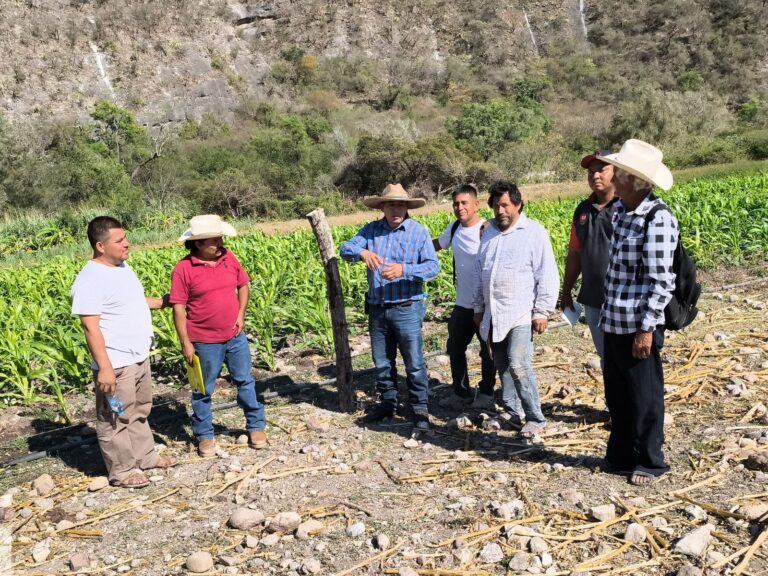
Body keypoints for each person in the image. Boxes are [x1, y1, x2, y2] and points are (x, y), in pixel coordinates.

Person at [71, 216, 177, 489]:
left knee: (140, 410)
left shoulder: (122, 268)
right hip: (116, 363)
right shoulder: (90, 279)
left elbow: (131, 302)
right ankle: (122, 471)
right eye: (119, 240)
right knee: (114, 417)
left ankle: (146, 457)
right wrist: (105, 368)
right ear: (100, 246)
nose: (127, 243)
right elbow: (90, 327)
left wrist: (162, 302)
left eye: (125, 237)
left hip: (138, 356)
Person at [597, 139, 678, 486]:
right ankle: (620, 456)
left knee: (645, 395)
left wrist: (646, 329)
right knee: (617, 394)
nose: (613, 176)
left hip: (638, 323)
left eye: (620, 173)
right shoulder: (620, 211)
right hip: (614, 319)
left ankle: (650, 461)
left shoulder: (658, 219)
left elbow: (662, 281)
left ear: (635, 181)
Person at [340, 183, 440, 431]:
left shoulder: (418, 232)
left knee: (414, 362)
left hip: (407, 307)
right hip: (378, 307)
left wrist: (404, 270)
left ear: (406, 207)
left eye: (401, 205)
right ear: (382, 207)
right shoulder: (371, 231)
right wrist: (362, 253)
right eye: (391, 205)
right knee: (382, 361)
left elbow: (433, 267)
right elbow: (345, 249)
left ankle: (419, 406)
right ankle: (388, 402)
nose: (396, 209)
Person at [170, 215, 267, 458]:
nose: (220, 243)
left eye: (220, 238)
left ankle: (256, 427)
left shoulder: (228, 258)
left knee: (245, 381)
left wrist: (241, 314)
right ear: (198, 244)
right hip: (204, 341)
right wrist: (185, 342)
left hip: (235, 336)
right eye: (215, 240)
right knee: (203, 390)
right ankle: (205, 435)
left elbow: (243, 285)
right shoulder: (183, 269)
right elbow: (178, 308)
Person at [473, 181, 559, 439]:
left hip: (521, 311)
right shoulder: (488, 233)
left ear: (518, 205)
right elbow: (480, 273)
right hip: (494, 312)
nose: (501, 211)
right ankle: (512, 411)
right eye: (496, 206)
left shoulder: (534, 233)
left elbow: (547, 272)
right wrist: (479, 307)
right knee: (502, 365)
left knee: (518, 364)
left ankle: (535, 417)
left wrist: (542, 311)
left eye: (505, 205)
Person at [432, 184, 495, 406]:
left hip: (486, 304)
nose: (460, 207)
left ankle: (487, 392)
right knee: (455, 347)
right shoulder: (454, 228)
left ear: (476, 204)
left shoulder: (488, 229)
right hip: (462, 303)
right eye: (456, 204)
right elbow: (437, 245)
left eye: (464, 203)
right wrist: (413, 250)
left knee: (488, 351)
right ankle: (461, 392)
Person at [561, 150, 618, 369]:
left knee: (626, 357)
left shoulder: (626, 207)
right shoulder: (583, 211)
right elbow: (575, 253)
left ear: (617, 172)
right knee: (605, 357)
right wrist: (567, 291)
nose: (595, 175)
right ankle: (612, 393)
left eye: (602, 170)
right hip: (593, 298)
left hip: (623, 298)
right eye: (591, 172)